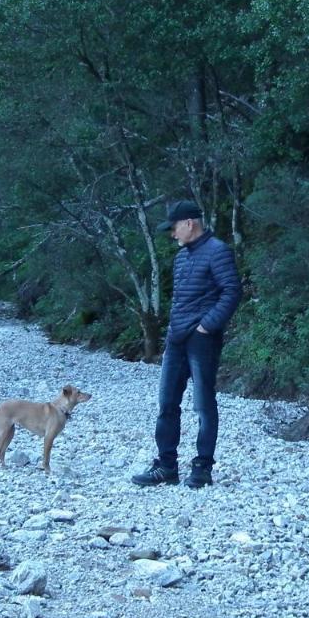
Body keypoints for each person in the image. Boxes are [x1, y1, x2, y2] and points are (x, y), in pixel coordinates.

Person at [132, 200, 242, 489]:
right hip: (176, 339)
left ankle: (202, 467)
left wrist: (207, 326)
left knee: (204, 405)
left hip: (202, 339)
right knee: (167, 403)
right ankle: (166, 467)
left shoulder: (218, 251)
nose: (172, 234)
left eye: (174, 228)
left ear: (190, 223)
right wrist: (173, 329)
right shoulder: (181, 257)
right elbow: (181, 299)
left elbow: (231, 291)